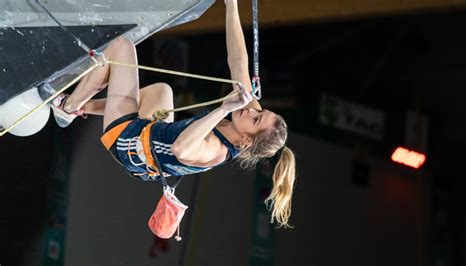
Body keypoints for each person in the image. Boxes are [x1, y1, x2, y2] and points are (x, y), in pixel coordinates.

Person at [49, 0, 296, 228]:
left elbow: (180, 149)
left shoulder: (215, 151)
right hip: (152, 133)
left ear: (245, 141)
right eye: (260, 111)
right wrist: (231, 5)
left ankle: (68, 107)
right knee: (161, 91)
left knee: (121, 47)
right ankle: (79, 109)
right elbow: (238, 61)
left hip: (129, 146)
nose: (250, 110)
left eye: (255, 119)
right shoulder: (247, 111)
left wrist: (225, 108)